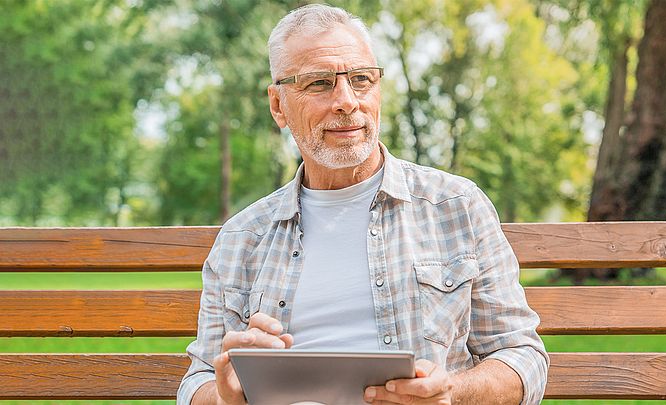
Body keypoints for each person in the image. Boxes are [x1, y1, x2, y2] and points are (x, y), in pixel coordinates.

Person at [177, 4, 548, 404]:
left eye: (361, 79)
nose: (346, 101)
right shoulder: (242, 239)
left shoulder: (456, 206)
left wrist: (449, 393)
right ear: (278, 106)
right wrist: (226, 397)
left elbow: (523, 357)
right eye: (319, 83)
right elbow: (197, 380)